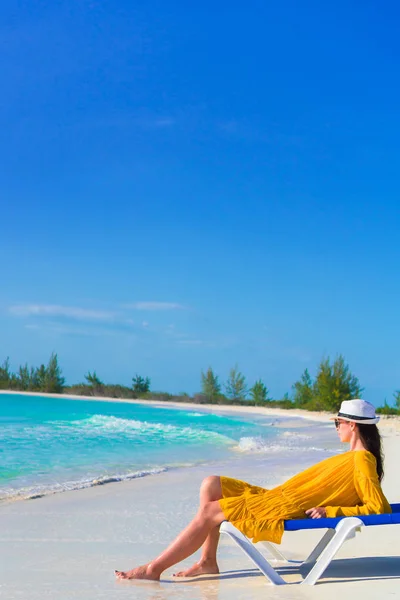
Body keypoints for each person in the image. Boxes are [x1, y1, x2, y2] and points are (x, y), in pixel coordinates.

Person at [115, 399, 391, 581]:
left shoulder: (363, 459)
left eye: (338, 423)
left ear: (352, 425)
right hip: (278, 496)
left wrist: (331, 510)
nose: (336, 428)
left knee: (212, 511)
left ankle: (154, 569)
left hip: (285, 506)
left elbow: (378, 508)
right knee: (211, 483)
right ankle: (207, 561)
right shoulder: (355, 456)